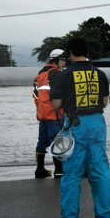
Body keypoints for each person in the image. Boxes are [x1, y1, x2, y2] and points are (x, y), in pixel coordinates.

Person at [50, 37, 110, 218]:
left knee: (72, 174)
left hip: (75, 125)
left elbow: (56, 104)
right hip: (97, 123)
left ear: (69, 53)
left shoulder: (63, 75)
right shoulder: (99, 73)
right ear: (87, 52)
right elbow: (105, 102)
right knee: (100, 171)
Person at [32, 48, 66, 179]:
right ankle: (59, 170)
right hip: (54, 115)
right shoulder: (57, 74)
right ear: (57, 60)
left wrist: (41, 108)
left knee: (42, 141)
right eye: (63, 60)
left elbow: (35, 95)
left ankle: (40, 170)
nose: (64, 63)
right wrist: (62, 110)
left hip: (42, 114)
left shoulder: (40, 73)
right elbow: (60, 95)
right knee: (57, 142)